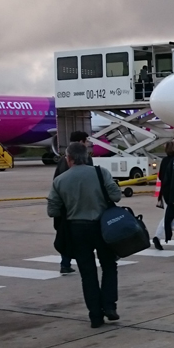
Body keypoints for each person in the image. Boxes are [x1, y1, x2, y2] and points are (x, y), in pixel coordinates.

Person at [46, 142, 121, 328]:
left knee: (88, 274)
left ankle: (95, 315)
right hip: (102, 227)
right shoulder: (100, 172)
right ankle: (110, 306)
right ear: (87, 157)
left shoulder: (60, 180)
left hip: (77, 229)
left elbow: (52, 210)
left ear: (69, 159)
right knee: (109, 266)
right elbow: (116, 195)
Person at [53, 130, 93, 274]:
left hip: (65, 206)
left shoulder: (62, 161)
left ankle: (65, 263)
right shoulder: (86, 159)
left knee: (66, 235)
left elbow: (55, 182)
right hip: (81, 205)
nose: (88, 143)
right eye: (86, 141)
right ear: (81, 142)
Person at [152, 140, 174, 250]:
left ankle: (161, 234)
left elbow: (160, 176)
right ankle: (158, 236)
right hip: (173, 192)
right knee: (168, 216)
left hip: (164, 191)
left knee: (168, 214)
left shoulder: (164, 161)